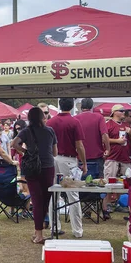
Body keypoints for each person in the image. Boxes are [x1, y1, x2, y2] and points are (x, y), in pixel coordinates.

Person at [11, 107, 58, 244]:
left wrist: (25, 151)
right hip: (48, 167)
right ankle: (40, 229)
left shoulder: (26, 131)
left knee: (36, 201)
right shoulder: (50, 131)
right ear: (42, 117)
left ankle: (38, 233)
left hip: (32, 168)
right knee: (45, 200)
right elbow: (55, 152)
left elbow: (14, 144)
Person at [47, 97, 87, 239]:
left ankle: (55, 226)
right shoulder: (74, 122)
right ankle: (77, 230)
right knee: (73, 195)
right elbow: (79, 145)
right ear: (71, 106)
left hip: (52, 159)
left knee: (53, 194)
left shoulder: (50, 122)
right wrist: (84, 162)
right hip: (69, 159)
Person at [103, 105, 131, 212]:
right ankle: (105, 207)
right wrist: (117, 141)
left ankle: (117, 203)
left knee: (126, 183)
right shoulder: (108, 124)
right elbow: (104, 139)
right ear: (115, 112)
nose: (124, 113)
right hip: (112, 156)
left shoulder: (126, 125)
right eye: (121, 111)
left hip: (124, 157)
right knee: (109, 182)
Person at [75, 98, 109, 178]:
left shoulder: (75, 118)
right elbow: (104, 135)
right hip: (97, 157)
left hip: (80, 157)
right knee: (97, 184)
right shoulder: (99, 117)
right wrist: (108, 149)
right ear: (91, 106)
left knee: (81, 184)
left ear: (81, 106)